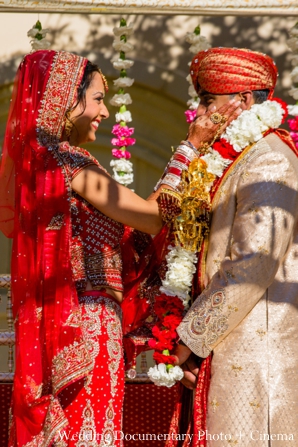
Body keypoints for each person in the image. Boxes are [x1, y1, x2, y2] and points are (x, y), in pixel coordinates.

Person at [0, 49, 240, 447]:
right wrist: (190, 146)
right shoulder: (69, 163)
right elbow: (148, 217)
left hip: (78, 324)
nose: (105, 112)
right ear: (64, 102)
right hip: (89, 324)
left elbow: (133, 236)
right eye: (97, 99)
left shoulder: (45, 165)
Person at [158, 48, 298, 447]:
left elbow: (253, 265)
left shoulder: (269, 161)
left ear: (245, 100)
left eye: (207, 101)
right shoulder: (238, 159)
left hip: (258, 354)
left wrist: (188, 339)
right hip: (228, 345)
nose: (198, 113)